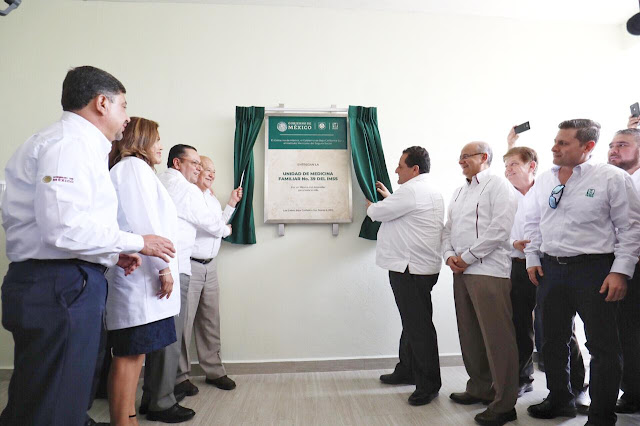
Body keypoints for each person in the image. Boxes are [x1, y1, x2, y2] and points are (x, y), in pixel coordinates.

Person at [0, 66, 175, 426]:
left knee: (46, 396)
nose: (127, 117)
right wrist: (138, 242)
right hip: (60, 285)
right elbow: (63, 228)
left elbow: (69, 223)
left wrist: (111, 252)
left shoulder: (68, 144)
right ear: (101, 103)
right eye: (123, 106)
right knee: (55, 404)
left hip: (59, 280)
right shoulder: (70, 145)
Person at [524, 119, 640, 426]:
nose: (554, 147)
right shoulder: (546, 179)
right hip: (551, 269)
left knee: (602, 346)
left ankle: (601, 416)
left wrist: (620, 272)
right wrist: (532, 257)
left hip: (595, 270)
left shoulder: (611, 178)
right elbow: (534, 222)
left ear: (588, 146)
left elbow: (630, 228)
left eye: (563, 143)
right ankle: (560, 399)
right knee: (552, 340)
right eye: (556, 141)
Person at [106, 117, 183, 425]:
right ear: (141, 141)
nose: (161, 145)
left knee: (136, 355)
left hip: (141, 276)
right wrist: (164, 268)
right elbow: (145, 223)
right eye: (157, 139)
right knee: (128, 357)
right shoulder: (132, 169)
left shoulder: (137, 170)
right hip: (139, 278)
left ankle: (129, 418)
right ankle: (122, 421)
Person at [503, 135, 586, 401]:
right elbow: (497, 232)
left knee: (557, 327)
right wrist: (513, 243)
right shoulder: (504, 196)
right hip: (518, 266)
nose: (508, 170)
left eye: (514, 164)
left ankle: (574, 383)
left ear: (532, 166)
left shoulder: (548, 188)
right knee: (519, 326)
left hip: (547, 266)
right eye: (506, 166)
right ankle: (523, 379)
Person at [442, 141, 519, 426]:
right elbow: (448, 229)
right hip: (461, 271)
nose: (461, 161)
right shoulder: (459, 191)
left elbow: (500, 229)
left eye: (466, 156)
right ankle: (480, 388)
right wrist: (449, 256)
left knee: (497, 339)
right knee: (470, 334)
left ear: (484, 157)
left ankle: (504, 404)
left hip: (488, 271)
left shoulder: (499, 185)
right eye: (460, 156)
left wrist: (467, 257)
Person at [367, 146, 444, 406]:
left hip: (410, 269)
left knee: (418, 328)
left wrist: (372, 206)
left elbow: (378, 213)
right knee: (413, 323)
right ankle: (407, 370)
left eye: (401, 166)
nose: (396, 170)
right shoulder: (426, 189)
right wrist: (390, 199)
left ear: (415, 169)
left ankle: (428, 385)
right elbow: (406, 213)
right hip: (420, 269)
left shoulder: (411, 191)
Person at [176, 155, 241, 393]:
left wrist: (231, 204)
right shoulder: (189, 195)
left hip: (210, 266)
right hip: (191, 265)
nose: (211, 174)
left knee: (210, 320)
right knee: (184, 323)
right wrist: (224, 230)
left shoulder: (211, 199)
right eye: (206, 169)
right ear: (196, 170)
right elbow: (214, 228)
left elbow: (218, 224)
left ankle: (214, 371)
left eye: (214, 170)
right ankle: (180, 377)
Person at [607, 128, 640, 414]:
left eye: (622, 145)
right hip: (620, 265)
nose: (614, 150)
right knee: (625, 333)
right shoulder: (613, 181)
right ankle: (632, 391)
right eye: (611, 145)